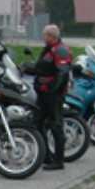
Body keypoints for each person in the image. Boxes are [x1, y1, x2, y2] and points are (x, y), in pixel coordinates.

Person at [33, 24, 72, 171]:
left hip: (52, 95)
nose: (43, 37)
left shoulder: (60, 49)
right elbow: (42, 67)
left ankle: (58, 160)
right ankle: (46, 155)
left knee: (56, 124)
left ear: (51, 36)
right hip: (42, 93)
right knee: (37, 122)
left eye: (45, 35)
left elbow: (62, 73)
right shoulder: (47, 49)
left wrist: (53, 90)